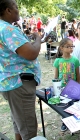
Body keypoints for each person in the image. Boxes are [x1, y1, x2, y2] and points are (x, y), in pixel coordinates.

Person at [0, 0, 41, 139]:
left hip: (10, 83)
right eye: (16, 7)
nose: (18, 10)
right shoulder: (7, 29)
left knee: (19, 122)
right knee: (28, 130)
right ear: (8, 10)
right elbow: (31, 53)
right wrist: (38, 39)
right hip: (19, 84)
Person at [53, 38, 80, 131]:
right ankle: (64, 122)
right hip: (62, 88)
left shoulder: (75, 60)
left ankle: (73, 121)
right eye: (68, 46)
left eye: (72, 46)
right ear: (61, 48)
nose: (70, 48)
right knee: (64, 106)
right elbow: (56, 76)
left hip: (73, 87)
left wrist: (78, 86)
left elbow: (78, 74)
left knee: (73, 105)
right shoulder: (57, 61)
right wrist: (56, 88)